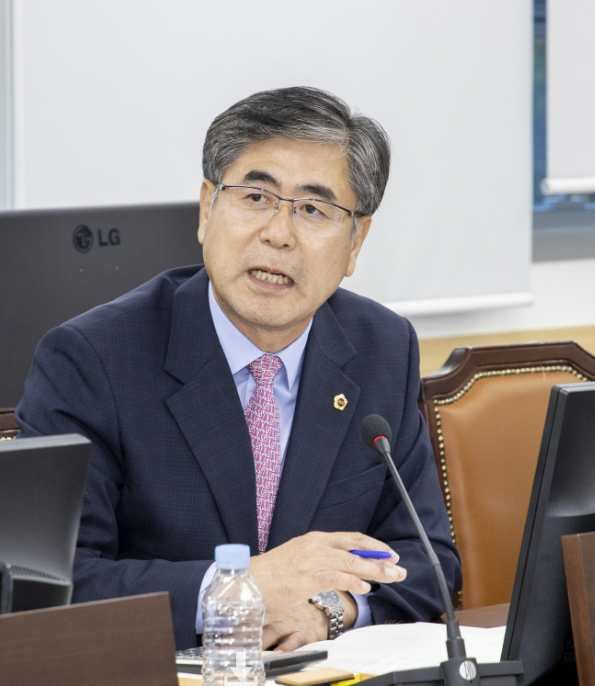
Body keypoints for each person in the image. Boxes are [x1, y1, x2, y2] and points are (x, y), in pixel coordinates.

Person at [16, 87, 461, 650]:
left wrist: (330, 611)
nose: (278, 233)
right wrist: (242, 590)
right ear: (207, 209)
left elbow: (427, 559)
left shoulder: (382, 347)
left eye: (313, 209)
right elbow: (57, 584)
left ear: (356, 242)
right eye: (255, 197)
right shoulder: (92, 360)